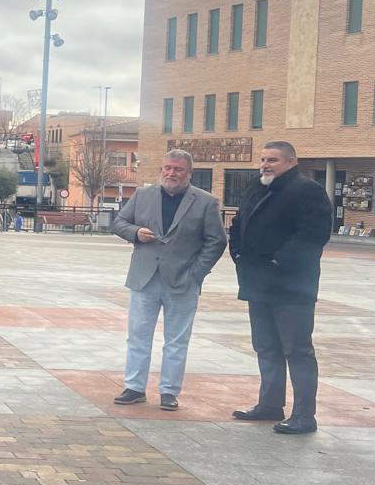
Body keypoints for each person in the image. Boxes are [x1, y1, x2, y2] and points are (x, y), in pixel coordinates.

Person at [228, 141, 333, 435]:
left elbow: (313, 235)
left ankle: (304, 416)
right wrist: (238, 253)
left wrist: (278, 261)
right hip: (257, 284)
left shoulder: (307, 190)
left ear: (290, 162)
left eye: (272, 160)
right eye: (263, 159)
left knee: (297, 350)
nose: (265, 164)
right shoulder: (257, 187)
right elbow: (238, 224)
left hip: (292, 288)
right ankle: (270, 404)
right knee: (266, 347)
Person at [109, 149, 226, 411]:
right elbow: (119, 223)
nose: (171, 173)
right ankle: (134, 387)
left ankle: (169, 392)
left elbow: (216, 241)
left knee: (177, 341)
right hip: (144, 278)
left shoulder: (206, 202)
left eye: (178, 169)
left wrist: (196, 274)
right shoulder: (142, 195)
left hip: (183, 281)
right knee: (138, 336)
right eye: (167, 168)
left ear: (189, 173)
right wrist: (135, 232)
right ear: (161, 169)